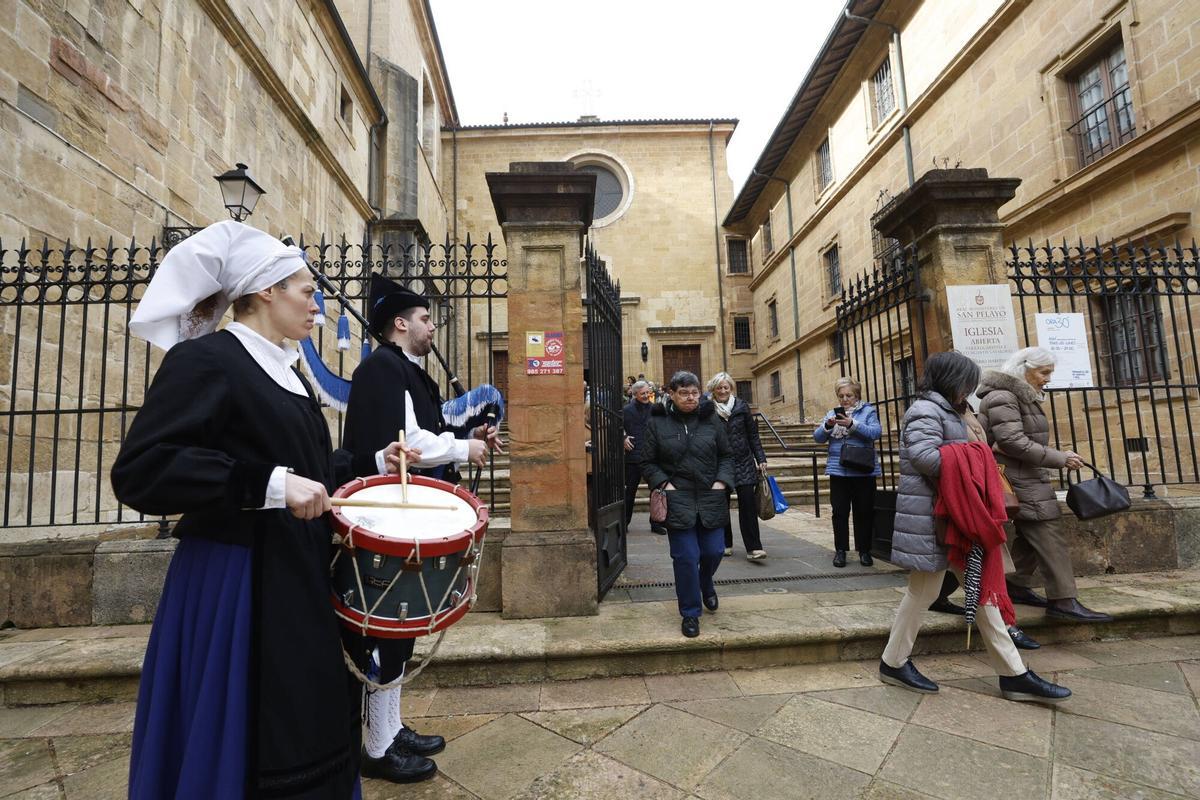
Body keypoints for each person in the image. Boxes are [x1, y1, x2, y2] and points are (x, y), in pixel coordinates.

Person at [112, 221, 418, 798]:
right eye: (307, 291)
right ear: (264, 291)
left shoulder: (287, 368)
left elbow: (309, 468)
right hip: (238, 580)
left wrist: (375, 461)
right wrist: (269, 485)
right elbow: (143, 469)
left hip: (296, 570)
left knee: (311, 712)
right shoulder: (207, 360)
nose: (317, 306)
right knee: (259, 727)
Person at [340, 274, 498, 784]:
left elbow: (428, 428)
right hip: (389, 519)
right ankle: (378, 746)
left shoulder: (403, 370)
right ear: (401, 323)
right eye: (427, 319)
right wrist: (458, 449)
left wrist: (467, 434)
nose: (433, 327)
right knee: (387, 631)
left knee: (401, 631)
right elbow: (405, 443)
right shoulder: (382, 370)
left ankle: (390, 727)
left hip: (410, 515)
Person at [879, 351, 1070, 703]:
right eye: (966, 381)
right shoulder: (924, 410)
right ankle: (893, 662)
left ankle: (1014, 674)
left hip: (956, 517)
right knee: (923, 593)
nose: (970, 388)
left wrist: (973, 455)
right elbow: (924, 458)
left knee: (979, 595)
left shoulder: (952, 410)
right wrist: (975, 458)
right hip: (935, 519)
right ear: (950, 379)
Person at [977, 347, 1114, 623]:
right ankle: (1063, 600)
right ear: (1023, 368)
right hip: (1018, 478)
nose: (1047, 378)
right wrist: (1059, 458)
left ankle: (1015, 584)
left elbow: (1020, 439)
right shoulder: (1004, 396)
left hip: (1026, 474)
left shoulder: (1017, 395)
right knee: (1047, 529)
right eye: (1044, 372)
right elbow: (1012, 441)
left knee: (1032, 532)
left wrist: (1055, 455)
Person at [640, 371, 735, 638]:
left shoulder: (711, 419)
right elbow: (647, 461)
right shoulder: (657, 423)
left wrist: (722, 482)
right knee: (686, 557)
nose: (690, 397)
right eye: (683, 393)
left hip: (710, 496)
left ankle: (705, 582)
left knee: (714, 551)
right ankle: (691, 613)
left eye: (694, 392)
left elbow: (727, 456)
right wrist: (664, 485)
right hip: (677, 498)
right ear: (671, 393)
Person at [813, 377, 881, 568]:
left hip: (863, 471)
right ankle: (840, 551)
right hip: (839, 470)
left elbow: (875, 433)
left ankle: (865, 551)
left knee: (864, 512)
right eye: (841, 396)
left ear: (857, 395)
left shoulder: (868, 411)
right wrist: (828, 426)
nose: (845, 399)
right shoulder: (831, 413)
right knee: (840, 513)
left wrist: (852, 424)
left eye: (849, 395)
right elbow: (817, 438)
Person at [706, 372, 767, 560]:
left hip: (744, 462)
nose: (723, 391)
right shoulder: (706, 409)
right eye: (719, 388)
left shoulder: (741, 406)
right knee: (721, 505)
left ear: (731, 389)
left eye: (726, 387)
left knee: (748, 505)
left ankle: (754, 548)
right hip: (719, 464)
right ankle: (725, 543)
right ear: (713, 390)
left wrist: (761, 458)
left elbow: (753, 435)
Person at [621, 380, 662, 533]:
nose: (646, 396)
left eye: (647, 393)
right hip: (633, 457)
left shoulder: (655, 409)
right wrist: (623, 437)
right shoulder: (626, 410)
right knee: (629, 492)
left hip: (652, 457)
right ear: (635, 394)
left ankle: (656, 523)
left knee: (656, 491)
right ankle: (624, 523)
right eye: (642, 393)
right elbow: (617, 427)